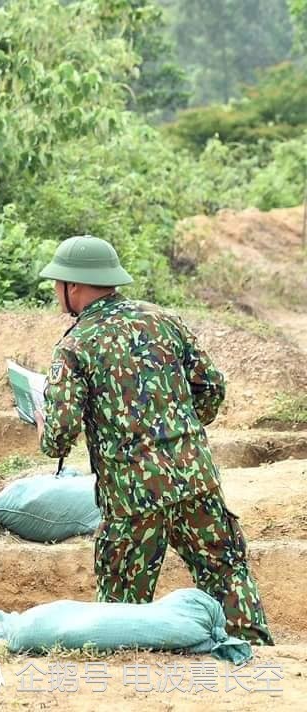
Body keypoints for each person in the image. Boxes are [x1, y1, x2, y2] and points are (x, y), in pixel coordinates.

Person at [35, 235, 273, 645]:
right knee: (225, 568)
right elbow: (211, 387)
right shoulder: (163, 320)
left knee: (123, 602)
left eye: (58, 283)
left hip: (132, 498)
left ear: (73, 286)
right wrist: (177, 435)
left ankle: (125, 687)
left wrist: (43, 426)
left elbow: (59, 436)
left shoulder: (75, 346)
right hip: (195, 479)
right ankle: (254, 656)